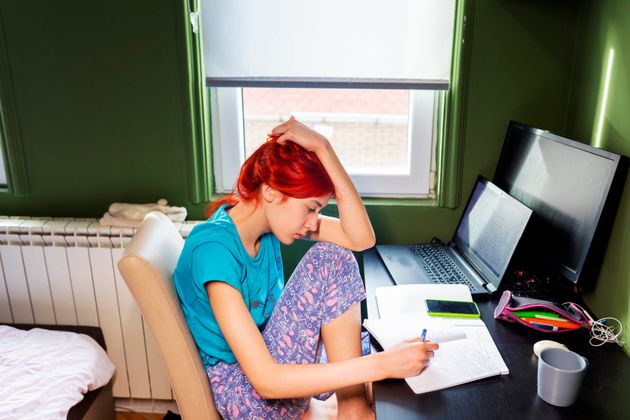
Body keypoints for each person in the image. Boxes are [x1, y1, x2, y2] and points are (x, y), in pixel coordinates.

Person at [174, 117, 439, 419]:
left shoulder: (265, 224)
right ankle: (355, 408)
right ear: (272, 191)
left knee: (380, 342)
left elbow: (360, 238)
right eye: (310, 207)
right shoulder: (214, 250)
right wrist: (381, 366)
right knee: (329, 261)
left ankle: (355, 401)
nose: (313, 222)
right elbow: (267, 382)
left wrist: (325, 149)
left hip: (270, 358)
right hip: (248, 395)